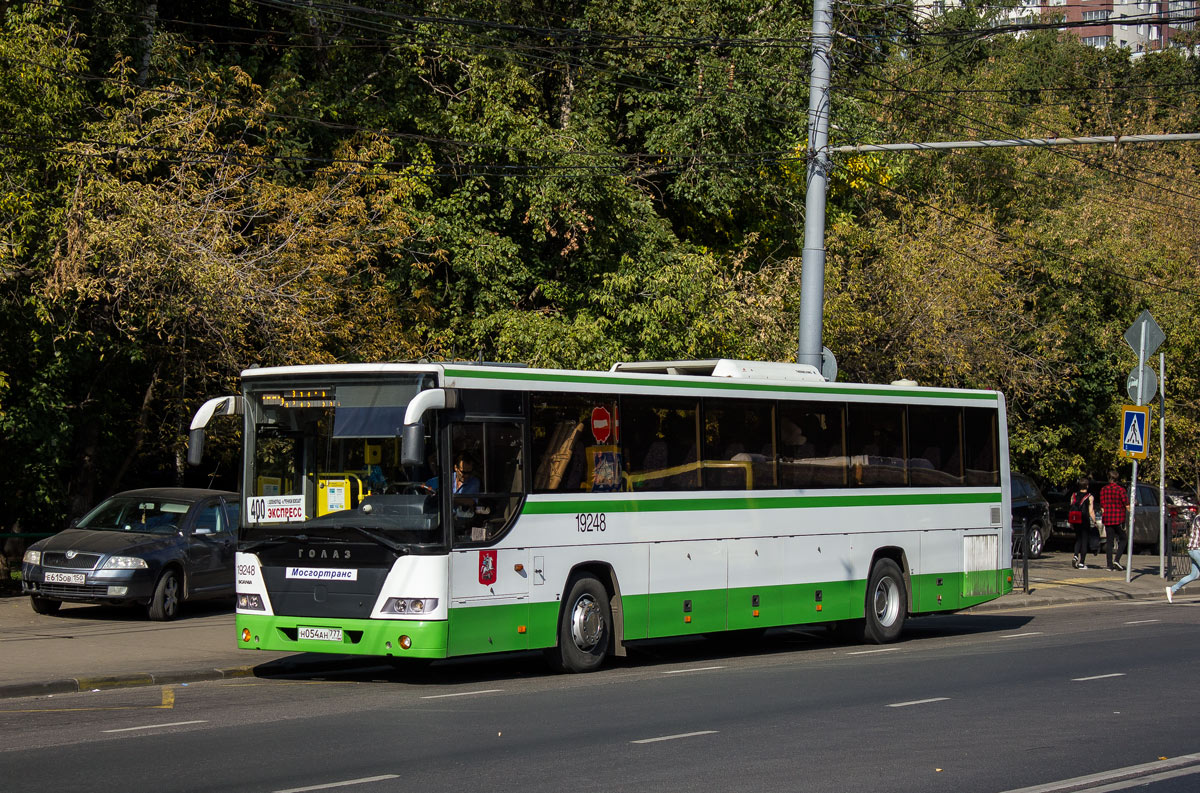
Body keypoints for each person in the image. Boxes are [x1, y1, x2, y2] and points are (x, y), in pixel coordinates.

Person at [1098, 469, 1128, 571]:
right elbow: (1126, 504)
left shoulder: (1103, 490)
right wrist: (1131, 515)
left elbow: (1102, 506)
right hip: (1118, 518)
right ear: (1117, 479)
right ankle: (1117, 559)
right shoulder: (1120, 490)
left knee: (1109, 541)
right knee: (1123, 538)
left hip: (1107, 518)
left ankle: (1109, 565)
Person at [1166, 513, 1200, 603]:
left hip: (1195, 550)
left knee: (1194, 575)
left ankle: (1172, 589)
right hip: (1196, 550)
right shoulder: (1199, 518)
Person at [1067, 476, 1098, 569]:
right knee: (1084, 541)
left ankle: (1075, 555)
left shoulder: (1074, 495)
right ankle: (1081, 563)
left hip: (1075, 519)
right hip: (1084, 520)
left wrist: (1071, 522)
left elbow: (1071, 507)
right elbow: (1091, 511)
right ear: (1087, 486)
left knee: (1078, 539)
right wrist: (1094, 521)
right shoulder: (1090, 497)